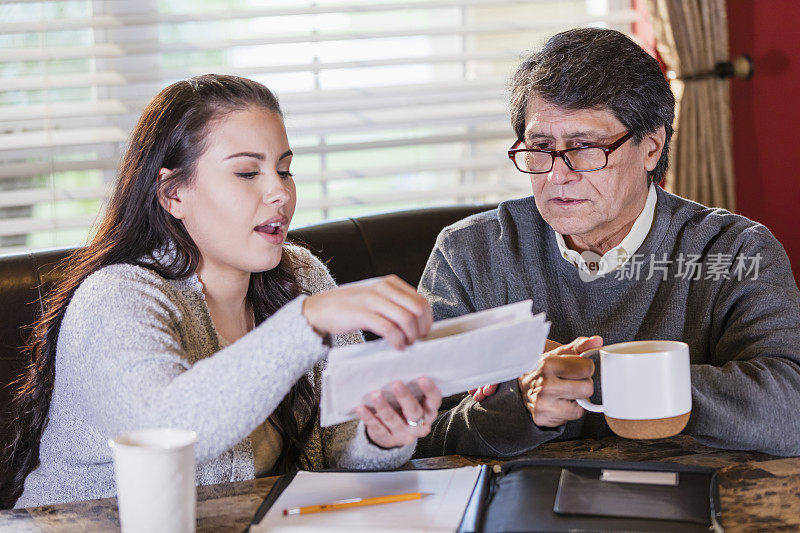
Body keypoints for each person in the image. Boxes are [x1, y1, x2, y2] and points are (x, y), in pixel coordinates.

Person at [1, 74, 442, 509]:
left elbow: (336, 443)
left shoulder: (302, 276)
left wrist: (377, 437)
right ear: (172, 193)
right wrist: (307, 322)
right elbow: (169, 433)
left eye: (284, 170)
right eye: (248, 173)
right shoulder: (114, 298)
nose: (280, 193)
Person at [414, 28, 800, 459]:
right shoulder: (468, 254)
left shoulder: (735, 252)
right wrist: (520, 407)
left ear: (651, 147)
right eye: (541, 148)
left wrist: (597, 373)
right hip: (519, 505)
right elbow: (414, 434)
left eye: (585, 148)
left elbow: (790, 411)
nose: (558, 174)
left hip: (691, 497)